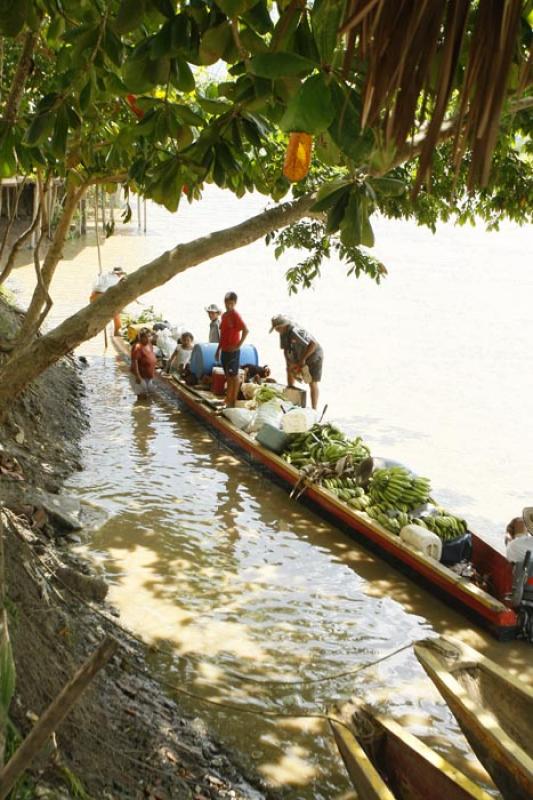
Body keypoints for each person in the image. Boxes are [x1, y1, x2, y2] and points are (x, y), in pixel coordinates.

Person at [269, 314, 323, 409]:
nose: (276, 331)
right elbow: (286, 350)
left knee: (312, 382)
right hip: (300, 354)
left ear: (283, 326)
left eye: (277, 328)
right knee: (289, 369)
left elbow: (313, 344)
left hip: (314, 355)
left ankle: (314, 409)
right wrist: (289, 364)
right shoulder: (282, 333)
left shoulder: (295, 331)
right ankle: (290, 392)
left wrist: (302, 360)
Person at [216, 292, 248, 408]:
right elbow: (223, 335)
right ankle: (227, 398)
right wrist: (218, 350)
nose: (228, 306)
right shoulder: (224, 316)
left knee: (233, 377)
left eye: (231, 303)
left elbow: (245, 330)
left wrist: (238, 345)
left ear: (235, 303)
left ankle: (232, 401)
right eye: (227, 303)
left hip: (233, 351)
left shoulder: (235, 315)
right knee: (228, 376)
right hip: (224, 350)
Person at [90, 267, 126, 336]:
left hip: (92, 297)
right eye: (120, 274)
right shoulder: (117, 279)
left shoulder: (103, 275)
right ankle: (117, 331)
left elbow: (95, 285)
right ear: (119, 274)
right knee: (116, 311)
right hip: (101, 297)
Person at [130, 328, 156, 397]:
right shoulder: (137, 347)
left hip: (148, 375)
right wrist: (137, 376)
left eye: (149, 336)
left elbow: (150, 356)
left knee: (149, 395)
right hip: (140, 376)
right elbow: (134, 361)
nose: (148, 338)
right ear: (140, 337)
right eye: (146, 337)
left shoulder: (149, 344)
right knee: (141, 396)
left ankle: (148, 407)